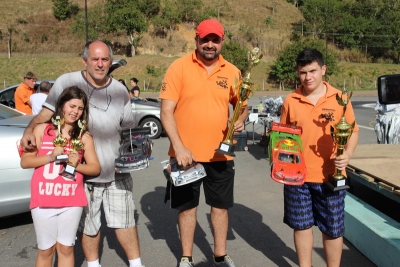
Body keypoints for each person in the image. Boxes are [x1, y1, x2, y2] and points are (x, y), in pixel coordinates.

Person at [20, 40, 145, 267]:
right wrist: (29, 131)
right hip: (80, 176)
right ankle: (93, 264)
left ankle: (136, 264)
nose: (99, 64)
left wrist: (139, 150)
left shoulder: (119, 90)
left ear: (111, 61)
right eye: (95, 59)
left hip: (116, 171)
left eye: (105, 59)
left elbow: (129, 130)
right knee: (89, 224)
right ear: (84, 60)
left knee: (125, 221)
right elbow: (47, 114)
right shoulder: (67, 81)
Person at [159, 19, 248, 267]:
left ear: (222, 42)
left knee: (220, 207)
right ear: (196, 40)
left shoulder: (233, 71)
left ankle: (220, 255)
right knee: (187, 209)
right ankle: (186, 257)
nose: (210, 44)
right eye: (205, 39)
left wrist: (239, 120)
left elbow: (243, 105)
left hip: (221, 154)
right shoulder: (178, 68)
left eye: (215, 40)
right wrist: (179, 147)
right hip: (185, 155)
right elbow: (166, 111)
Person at [279, 48, 359, 267]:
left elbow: (353, 131)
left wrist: (347, 155)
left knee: (332, 229)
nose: (308, 77)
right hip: (297, 177)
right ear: (298, 72)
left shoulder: (340, 99)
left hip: (330, 177)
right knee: (301, 226)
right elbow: (283, 137)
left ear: (323, 69)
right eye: (303, 72)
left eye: (313, 71)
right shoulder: (290, 100)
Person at [20, 86, 101, 267]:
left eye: (80, 109)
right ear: (62, 105)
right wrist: (50, 157)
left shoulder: (84, 136)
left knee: (66, 249)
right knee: (46, 250)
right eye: (72, 106)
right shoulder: (43, 130)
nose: (75, 112)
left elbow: (95, 168)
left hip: (71, 201)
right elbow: (25, 162)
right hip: (43, 199)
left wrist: (77, 165)